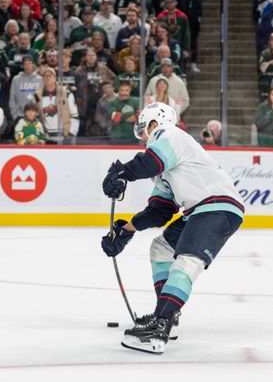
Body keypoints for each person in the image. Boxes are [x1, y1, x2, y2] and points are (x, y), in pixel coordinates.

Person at [101, 102, 244, 354]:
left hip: (216, 206)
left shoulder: (171, 136)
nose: (143, 139)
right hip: (201, 209)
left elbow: (149, 162)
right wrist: (127, 229)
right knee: (162, 247)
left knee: (187, 260)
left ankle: (160, 327)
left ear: (154, 124)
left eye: (143, 131)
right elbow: (160, 211)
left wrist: (122, 172)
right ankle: (167, 315)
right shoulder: (167, 167)